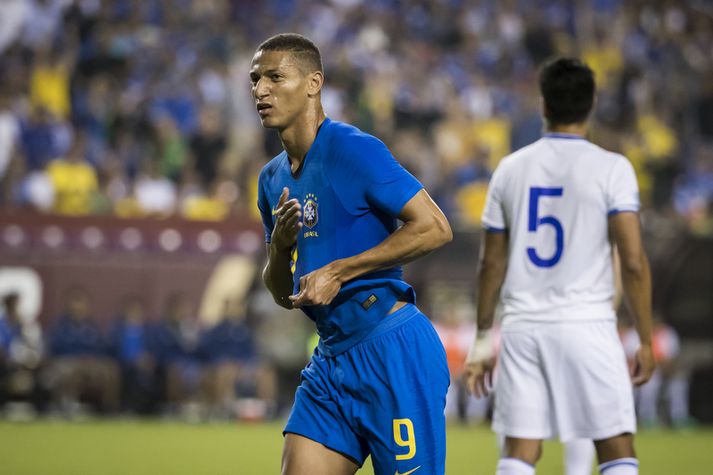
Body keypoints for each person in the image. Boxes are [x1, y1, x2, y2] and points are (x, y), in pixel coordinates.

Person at [253, 33, 452, 475]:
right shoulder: (271, 181)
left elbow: (435, 227)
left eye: (274, 77)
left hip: (392, 350)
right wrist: (280, 248)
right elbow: (281, 294)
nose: (261, 90)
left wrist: (341, 271)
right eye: (255, 79)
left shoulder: (352, 149)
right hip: (331, 358)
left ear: (313, 83)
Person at [464, 57, 654, 475]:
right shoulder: (613, 168)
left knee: (520, 451)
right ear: (593, 103)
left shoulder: (510, 169)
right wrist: (644, 337)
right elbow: (634, 262)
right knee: (616, 448)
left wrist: (482, 338)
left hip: (523, 327)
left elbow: (490, 263)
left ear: (543, 104)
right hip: (587, 323)